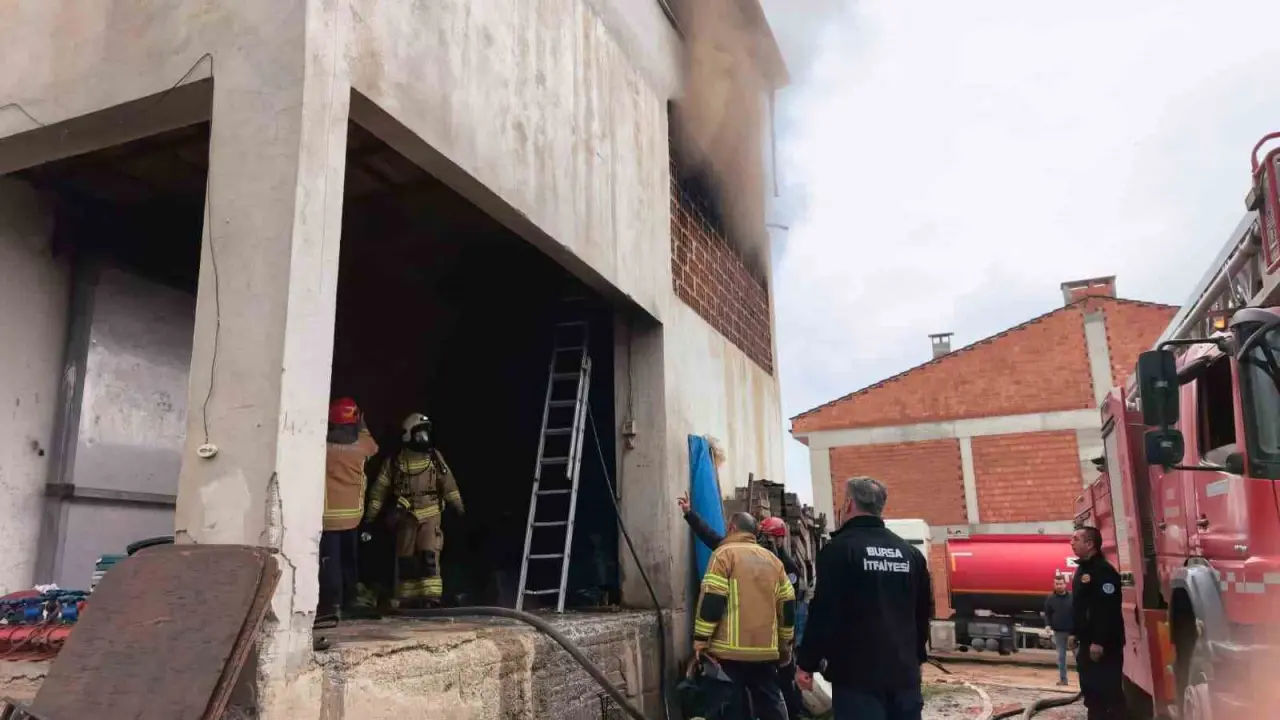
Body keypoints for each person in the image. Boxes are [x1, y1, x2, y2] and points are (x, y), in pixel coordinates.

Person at [795, 477, 932, 720]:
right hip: (904, 675)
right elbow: (923, 614)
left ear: (848, 504)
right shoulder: (910, 554)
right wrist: (916, 658)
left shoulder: (839, 550)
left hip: (857, 679)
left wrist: (807, 662)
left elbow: (824, 612)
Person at [678, 494, 809, 718]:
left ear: (731, 527)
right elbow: (787, 604)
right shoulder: (774, 562)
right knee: (770, 705)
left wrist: (701, 642)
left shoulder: (724, 555)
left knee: (730, 708)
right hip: (765, 652)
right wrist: (784, 644)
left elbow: (712, 599)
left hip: (729, 655)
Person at [364, 413, 464, 608]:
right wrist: (370, 518)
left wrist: (458, 507)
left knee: (429, 554)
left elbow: (449, 484)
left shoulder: (434, 458)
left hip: (431, 514)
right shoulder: (394, 462)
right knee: (406, 559)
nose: (424, 438)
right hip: (406, 517)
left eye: (426, 433)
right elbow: (379, 491)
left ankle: (431, 598)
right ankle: (408, 599)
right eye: (420, 434)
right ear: (408, 435)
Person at [318, 397, 379, 625]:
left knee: (329, 562)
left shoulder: (323, 448)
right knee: (348, 563)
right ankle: (351, 600)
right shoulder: (361, 448)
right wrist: (362, 423)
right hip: (353, 517)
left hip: (328, 518)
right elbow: (373, 445)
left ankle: (331, 605)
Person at [1069, 526, 1126, 719]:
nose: (1071, 543)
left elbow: (1106, 609)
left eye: (1076, 539)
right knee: (1091, 692)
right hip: (1086, 643)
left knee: (1108, 692)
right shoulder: (1082, 570)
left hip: (1103, 646)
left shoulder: (1103, 571)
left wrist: (1099, 641)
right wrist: (1073, 633)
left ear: (1090, 544)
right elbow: (1079, 605)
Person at [1043, 574, 1074, 686]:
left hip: (1073, 633)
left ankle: (1084, 681)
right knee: (1061, 657)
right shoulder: (1050, 598)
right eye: (1057, 584)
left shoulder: (1072, 597)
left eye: (1061, 584)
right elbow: (1047, 614)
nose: (1059, 586)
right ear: (1054, 585)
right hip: (1059, 632)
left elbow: (1077, 614)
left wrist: (1076, 631)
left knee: (1079, 657)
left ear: (1065, 584)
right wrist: (1048, 625)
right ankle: (1063, 679)